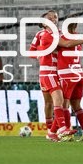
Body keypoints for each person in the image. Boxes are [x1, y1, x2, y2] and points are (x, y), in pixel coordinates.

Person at [57, 21, 83, 142]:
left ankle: (67, 133)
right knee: (76, 106)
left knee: (64, 105)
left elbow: (66, 44)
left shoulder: (64, 37)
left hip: (67, 74)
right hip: (79, 74)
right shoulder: (79, 37)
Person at [30, 13, 57, 141]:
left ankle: (56, 130)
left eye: (55, 16)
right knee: (49, 103)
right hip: (47, 71)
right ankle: (50, 130)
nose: (53, 18)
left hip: (60, 71)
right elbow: (31, 51)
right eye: (50, 17)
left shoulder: (62, 34)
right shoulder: (40, 35)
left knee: (61, 103)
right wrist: (41, 55)